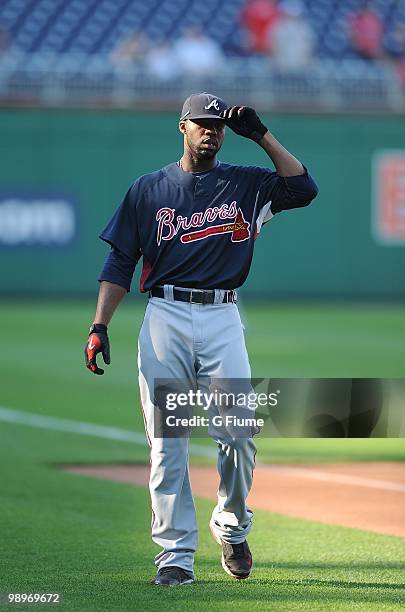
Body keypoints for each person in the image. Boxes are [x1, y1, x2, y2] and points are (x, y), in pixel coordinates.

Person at [84, 92, 319, 586]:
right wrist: (99, 325)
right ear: (183, 127)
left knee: (239, 433)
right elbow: (120, 260)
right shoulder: (148, 189)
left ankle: (231, 524)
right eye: (202, 123)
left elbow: (304, 188)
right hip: (166, 316)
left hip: (223, 315)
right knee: (168, 442)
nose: (211, 131)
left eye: (218, 125)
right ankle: (175, 556)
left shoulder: (247, 184)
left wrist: (261, 135)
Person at [270, 0, 315, 72]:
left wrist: (308, 64)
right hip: (282, 66)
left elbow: (308, 48)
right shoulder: (277, 27)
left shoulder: (304, 28)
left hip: (300, 67)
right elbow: (274, 47)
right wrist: (277, 63)